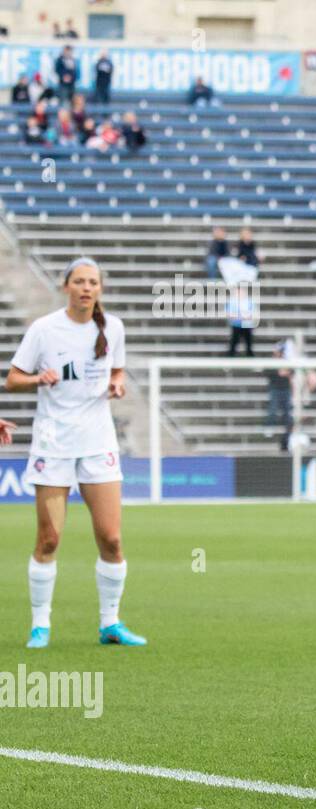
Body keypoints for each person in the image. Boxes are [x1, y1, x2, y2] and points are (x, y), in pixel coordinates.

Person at [5, 257, 147, 649]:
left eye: (93, 282)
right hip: (54, 442)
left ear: (100, 289)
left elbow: (116, 371)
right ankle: (40, 625)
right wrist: (38, 378)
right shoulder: (44, 329)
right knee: (49, 539)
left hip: (98, 441)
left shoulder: (113, 327)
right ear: (65, 286)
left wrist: (117, 385)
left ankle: (110, 623)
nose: (86, 288)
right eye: (80, 281)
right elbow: (13, 379)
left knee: (112, 539)